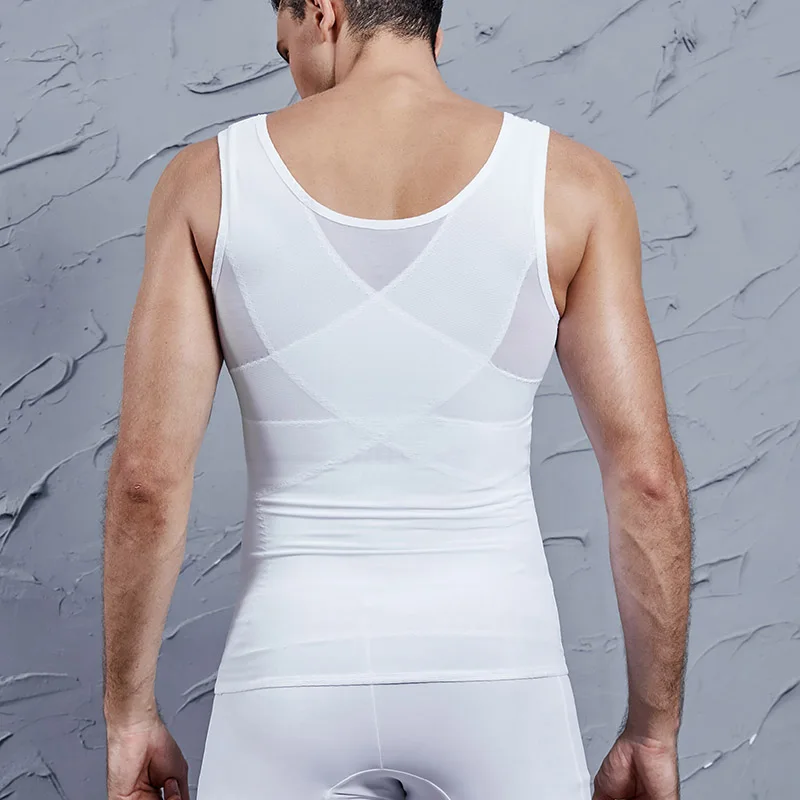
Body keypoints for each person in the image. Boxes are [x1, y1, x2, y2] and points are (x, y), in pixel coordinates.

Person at [101, 1, 693, 798]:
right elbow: (647, 481)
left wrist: (129, 715)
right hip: (497, 674)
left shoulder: (207, 184)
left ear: (323, 12)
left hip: (290, 672)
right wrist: (653, 729)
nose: (292, 75)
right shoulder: (574, 187)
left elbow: (146, 480)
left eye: (285, 50)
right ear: (432, 34)